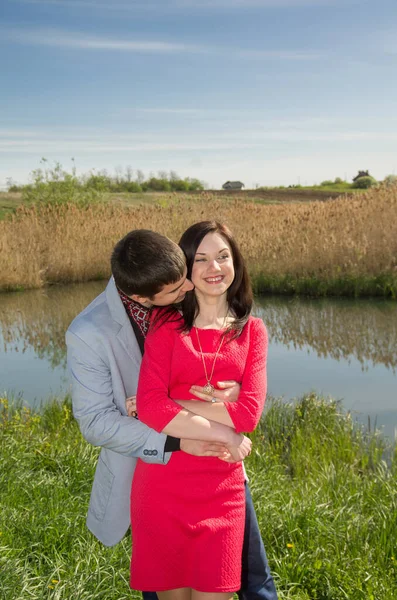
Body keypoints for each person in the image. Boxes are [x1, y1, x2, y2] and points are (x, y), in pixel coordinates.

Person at [66, 228, 277, 600]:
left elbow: (244, 406)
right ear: (140, 296)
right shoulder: (90, 332)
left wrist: (238, 396)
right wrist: (178, 439)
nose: (188, 288)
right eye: (177, 288)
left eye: (185, 277)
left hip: (221, 474)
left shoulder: (166, 281)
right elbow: (97, 422)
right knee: (165, 584)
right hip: (154, 469)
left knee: (252, 576)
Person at [130, 221, 272, 600]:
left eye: (223, 257)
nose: (215, 268)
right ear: (187, 271)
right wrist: (224, 428)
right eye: (202, 259)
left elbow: (249, 416)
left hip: (222, 490)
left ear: (236, 264)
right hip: (164, 487)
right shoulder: (165, 325)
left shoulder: (252, 332)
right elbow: (149, 408)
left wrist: (174, 403)